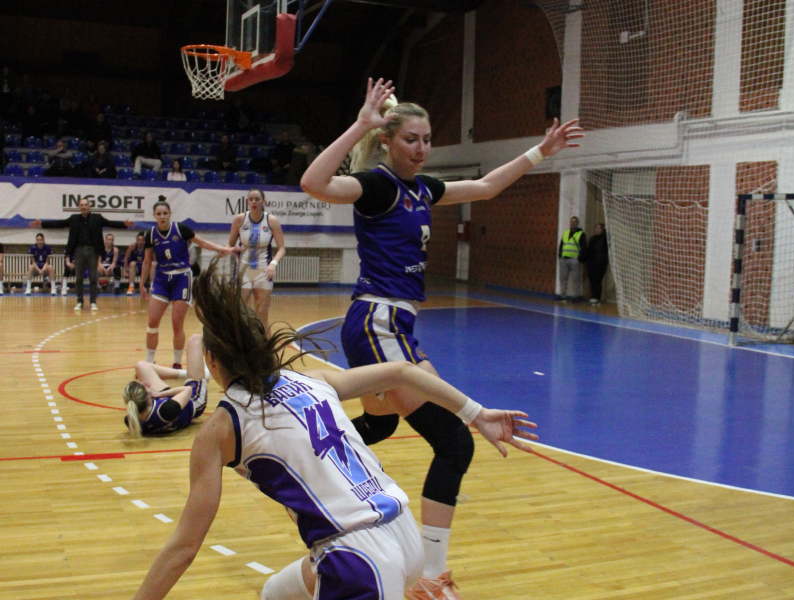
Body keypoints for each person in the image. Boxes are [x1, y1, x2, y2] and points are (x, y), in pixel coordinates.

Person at [300, 77, 581, 596]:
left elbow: (487, 186)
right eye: (411, 139)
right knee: (454, 442)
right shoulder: (377, 185)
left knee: (379, 427)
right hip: (377, 322)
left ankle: (301, 453)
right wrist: (358, 125)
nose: (422, 148)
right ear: (387, 140)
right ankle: (430, 578)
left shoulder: (423, 188)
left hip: (395, 325)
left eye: (427, 139)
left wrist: (541, 151)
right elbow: (314, 183)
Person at [129, 260, 538, 600]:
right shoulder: (314, 380)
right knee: (275, 593)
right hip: (402, 532)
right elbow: (402, 371)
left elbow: (184, 548)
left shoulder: (219, 429)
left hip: (355, 557)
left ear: (212, 362)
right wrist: (476, 413)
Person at [139, 196, 238, 368]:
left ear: (170, 213)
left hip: (182, 278)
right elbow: (147, 261)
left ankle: (177, 362)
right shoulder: (151, 234)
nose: (162, 216)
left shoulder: (181, 229)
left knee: (177, 323)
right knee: (152, 322)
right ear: (154, 215)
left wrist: (223, 249)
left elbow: (202, 242)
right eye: (159, 214)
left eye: (165, 213)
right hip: (162, 279)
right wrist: (142, 283)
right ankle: (149, 362)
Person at [30, 197, 134, 310]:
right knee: (79, 278)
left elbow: (110, 223)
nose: (84, 207)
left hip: (93, 251)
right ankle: (79, 301)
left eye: (86, 205)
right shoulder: (74, 219)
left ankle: (93, 301)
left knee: (93, 278)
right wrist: (42, 223)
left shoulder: (97, 218)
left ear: (89, 206)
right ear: (79, 207)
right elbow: (60, 223)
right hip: (78, 251)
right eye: (82, 205)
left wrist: (124, 224)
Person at [122, 333, 208, 437]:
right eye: (144, 386)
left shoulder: (132, 420)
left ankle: (186, 373)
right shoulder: (166, 410)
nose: (144, 383)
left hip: (166, 400)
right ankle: (198, 372)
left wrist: (153, 392)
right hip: (193, 399)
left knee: (141, 366)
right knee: (195, 340)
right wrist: (159, 394)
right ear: (149, 398)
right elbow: (187, 390)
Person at [227, 188, 285, 331]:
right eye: (251, 199)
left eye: (257, 199)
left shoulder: (271, 221)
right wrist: (229, 250)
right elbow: (230, 244)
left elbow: (282, 249)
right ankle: (240, 344)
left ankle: (266, 345)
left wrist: (273, 264)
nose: (253, 202)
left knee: (262, 316)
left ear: (263, 201)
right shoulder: (240, 219)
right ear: (247, 201)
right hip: (243, 272)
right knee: (239, 314)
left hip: (264, 272)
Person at [557, 216, 587, 302]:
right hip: (564, 259)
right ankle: (562, 295)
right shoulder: (566, 232)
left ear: (577, 224)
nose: (573, 223)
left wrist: (579, 259)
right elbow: (562, 244)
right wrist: (560, 255)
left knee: (576, 279)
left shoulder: (581, 234)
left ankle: (576, 296)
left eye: (575, 222)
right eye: (571, 222)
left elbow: (583, 247)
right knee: (563, 278)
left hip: (574, 259)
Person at [586, 223, 609, 306]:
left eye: (599, 228)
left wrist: (606, 229)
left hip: (600, 264)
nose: (597, 230)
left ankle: (597, 298)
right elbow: (588, 251)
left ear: (602, 230)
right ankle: (593, 297)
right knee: (592, 281)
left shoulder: (604, 239)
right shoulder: (592, 239)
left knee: (598, 281)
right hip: (591, 263)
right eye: (596, 228)